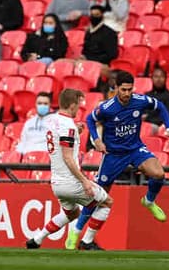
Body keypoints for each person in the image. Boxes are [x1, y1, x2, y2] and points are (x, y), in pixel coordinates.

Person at [68, 73, 169, 249]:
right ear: (117, 88)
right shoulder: (107, 107)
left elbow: (161, 107)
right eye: (123, 89)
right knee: (97, 197)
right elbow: (90, 119)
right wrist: (96, 139)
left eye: (130, 89)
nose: (127, 93)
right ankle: (76, 231)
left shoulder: (140, 101)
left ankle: (148, 201)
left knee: (158, 174)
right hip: (113, 154)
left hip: (135, 149)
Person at [28, 89, 113, 251]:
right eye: (78, 105)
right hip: (71, 182)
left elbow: (61, 138)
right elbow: (67, 157)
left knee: (71, 213)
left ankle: (37, 239)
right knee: (107, 202)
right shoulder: (68, 127)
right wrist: (84, 181)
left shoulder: (52, 120)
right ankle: (87, 242)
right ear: (73, 105)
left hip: (56, 183)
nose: (78, 109)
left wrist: (75, 132)